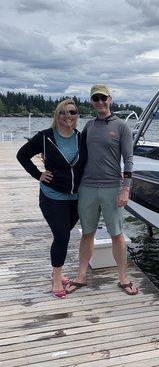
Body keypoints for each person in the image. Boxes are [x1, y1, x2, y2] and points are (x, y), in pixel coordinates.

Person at [66, 84, 138, 295]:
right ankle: (81, 276)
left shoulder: (122, 127)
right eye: (95, 99)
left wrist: (126, 189)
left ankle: (123, 277)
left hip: (112, 188)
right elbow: (77, 154)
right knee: (87, 234)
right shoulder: (89, 126)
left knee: (117, 234)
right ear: (91, 102)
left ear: (110, 99)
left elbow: (129, 160)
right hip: (87, 187)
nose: (99, 102)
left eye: (103, 98)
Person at [16, 99, 86, 298]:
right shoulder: (45, 137)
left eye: (71, 112)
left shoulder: (81, 138)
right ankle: (56, 278)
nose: (67, 116)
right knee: (62, 236)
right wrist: (37, 174)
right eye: (63, 113)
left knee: (64, 233)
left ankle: (58, 271)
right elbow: (22, 155)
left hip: (76, 197)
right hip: (52, 195)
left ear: (77, 115)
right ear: (57, 115)